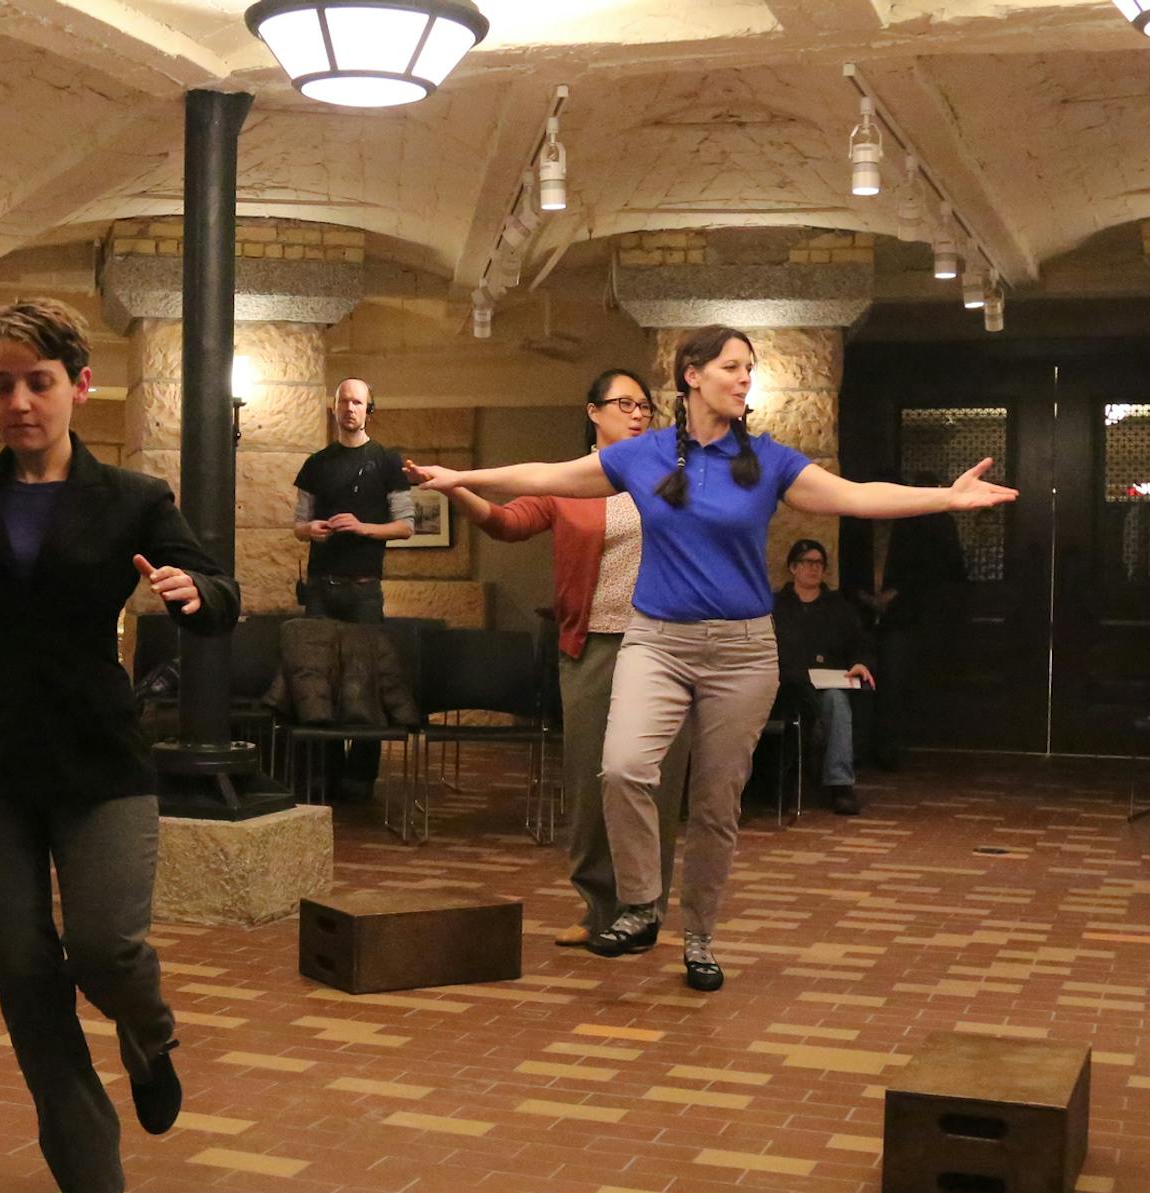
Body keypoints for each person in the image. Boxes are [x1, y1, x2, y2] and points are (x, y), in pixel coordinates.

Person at [409, 324, 1014, 992]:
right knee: (623, 767)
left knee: (715, 804)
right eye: (733, 366)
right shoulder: (642, 456)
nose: (744, 377)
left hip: (742, 651)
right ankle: (640, 905)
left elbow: (854, 493)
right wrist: (464, 475)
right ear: (691, 374)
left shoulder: (770, 462)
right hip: (656, 641)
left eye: (750, 368)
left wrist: (946, 499)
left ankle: (698, 937)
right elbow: (550, 477)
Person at [0, 297, 239, 1193]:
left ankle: (150, 1036)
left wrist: (196, 592)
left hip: (95, 757)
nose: (20, 402)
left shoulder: (134, 500)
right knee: (21, 971)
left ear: (80, 386)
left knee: (107, 946)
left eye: (39, 383)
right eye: (3, 384)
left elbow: (220, 592)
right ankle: (87, 1170)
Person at [443, 369, 691, 947]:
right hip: (594, 644)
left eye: (644, 406)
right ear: (593, 412)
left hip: (664, 646)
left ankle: (646, 909)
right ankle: (600, 908)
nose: (636, 414)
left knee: (656, 780)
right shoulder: (571, 481)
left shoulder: (671, 479)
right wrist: (457, 488)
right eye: (623, 403)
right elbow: (507, 524)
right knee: (591, 780)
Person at [292, 378, 415, 800]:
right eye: (344, 401)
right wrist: (310, 530)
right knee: (316, 683)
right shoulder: (317, 463)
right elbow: (297, 525)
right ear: (334, 408)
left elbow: (406, 526)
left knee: (366, 682)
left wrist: (363, 528)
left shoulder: (386, 460)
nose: (350, 408)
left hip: (364, 588)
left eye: (358, 402)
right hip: (321, 587)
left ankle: (360, 779)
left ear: (369, 409)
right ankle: (323, 774)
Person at [837, 477, 965, 770]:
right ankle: (858, 750)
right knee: (860, 682)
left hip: (901, 617)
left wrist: (896, 594)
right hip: (860, 614)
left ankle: (887, 750)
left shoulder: (913, 530)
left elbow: (928, 571)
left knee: (894, 683)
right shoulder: (856, 528)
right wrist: (862, 596)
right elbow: (845, 567)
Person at [773, 538, 875, 816]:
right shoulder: (776, 607)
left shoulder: (838, 608)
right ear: (793, 567)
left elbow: (859, 645)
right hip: (785, 686)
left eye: (819, 563)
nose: (813, 568)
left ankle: (840, 784)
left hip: (827, 684)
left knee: (837, 703)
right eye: (807, 562)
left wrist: (860, 663)